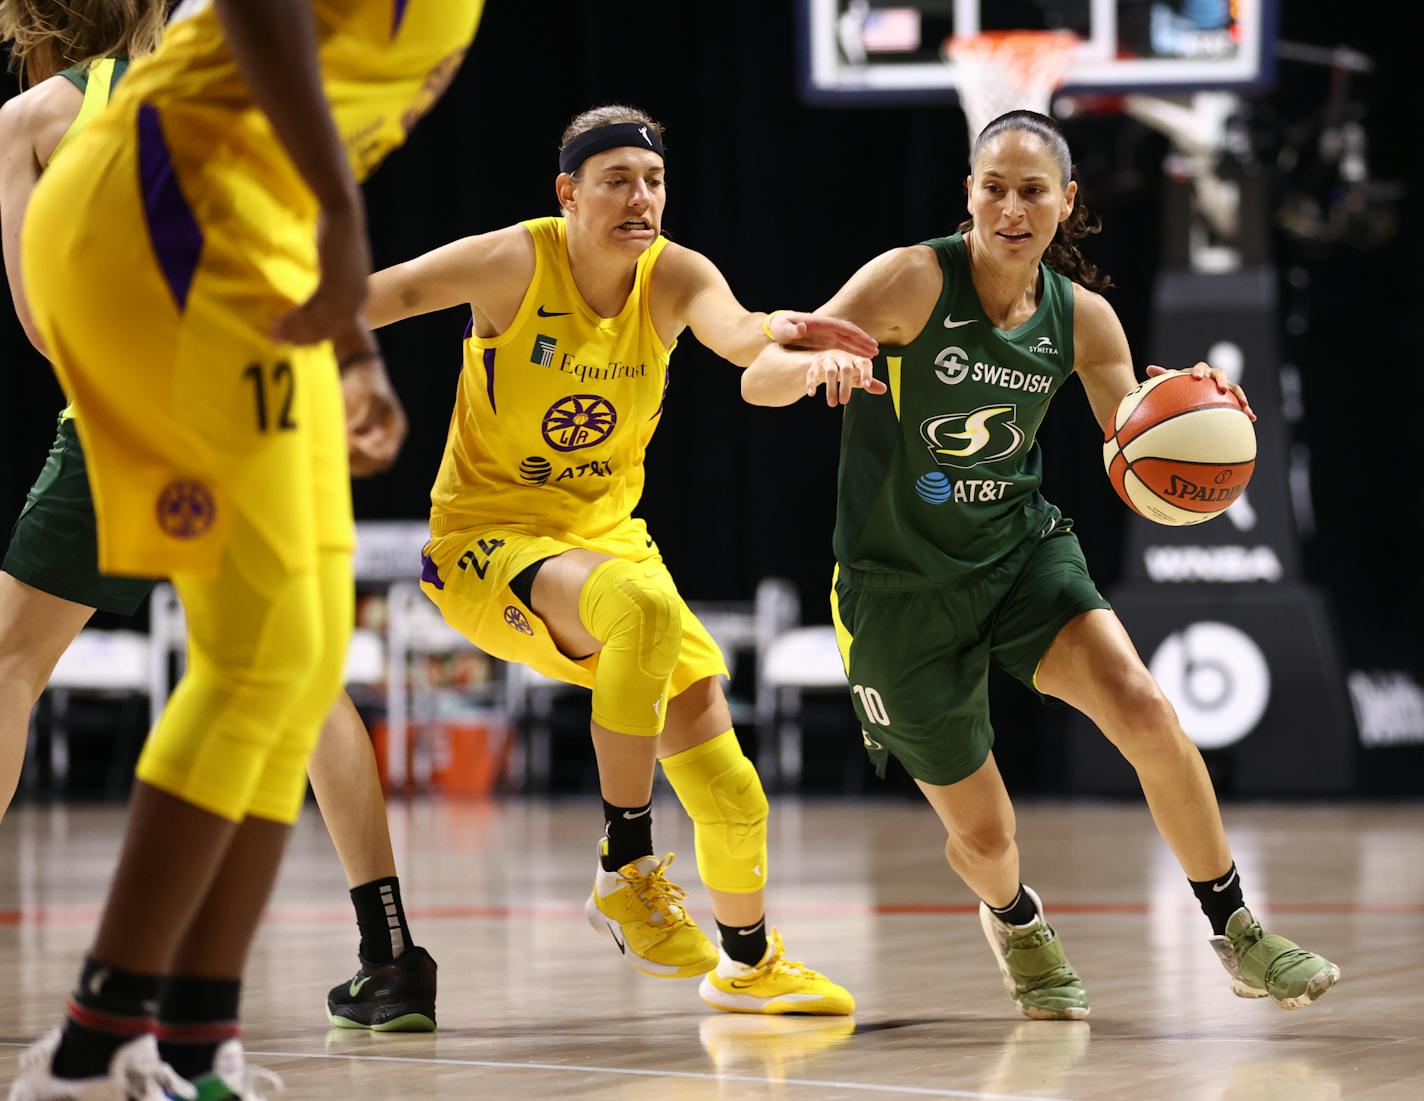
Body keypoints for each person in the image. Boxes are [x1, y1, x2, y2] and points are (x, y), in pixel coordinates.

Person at [741, 109, 1340, 1020]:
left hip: (1020, 553)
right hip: (897, 589)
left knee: (1143, 706)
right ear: (968, 194)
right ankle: (1017, 922)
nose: (1010, 207)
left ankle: (1239, 930)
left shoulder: (1084, 320)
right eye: (993, 187)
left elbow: (1134, 446)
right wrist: (812, 368)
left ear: (1067, 201)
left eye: (1032, 191)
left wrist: (1202, 428)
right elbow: (758, 373)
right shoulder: (910, 279)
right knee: (985, 837)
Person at [7, 2, 484, 1098]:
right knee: (263, 662)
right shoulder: (51, 111)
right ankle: (93, 1048)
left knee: (301, 661)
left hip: (230, 237)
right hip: (160, 222)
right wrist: (345, 251)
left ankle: (189, 1043)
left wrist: (348, 340)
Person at [364, 104, 874, 1016]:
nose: (641, 198)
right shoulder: (513, 260)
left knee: (727, 773)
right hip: (487, 538)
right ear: (568, 192)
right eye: (616, 181)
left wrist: (804, 361)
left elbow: (749, 352)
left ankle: (750, 961)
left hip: (604, 539)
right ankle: (625, 862)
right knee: (637, 605)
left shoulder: (674, 276)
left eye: (653, 180)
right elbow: (384, 293)